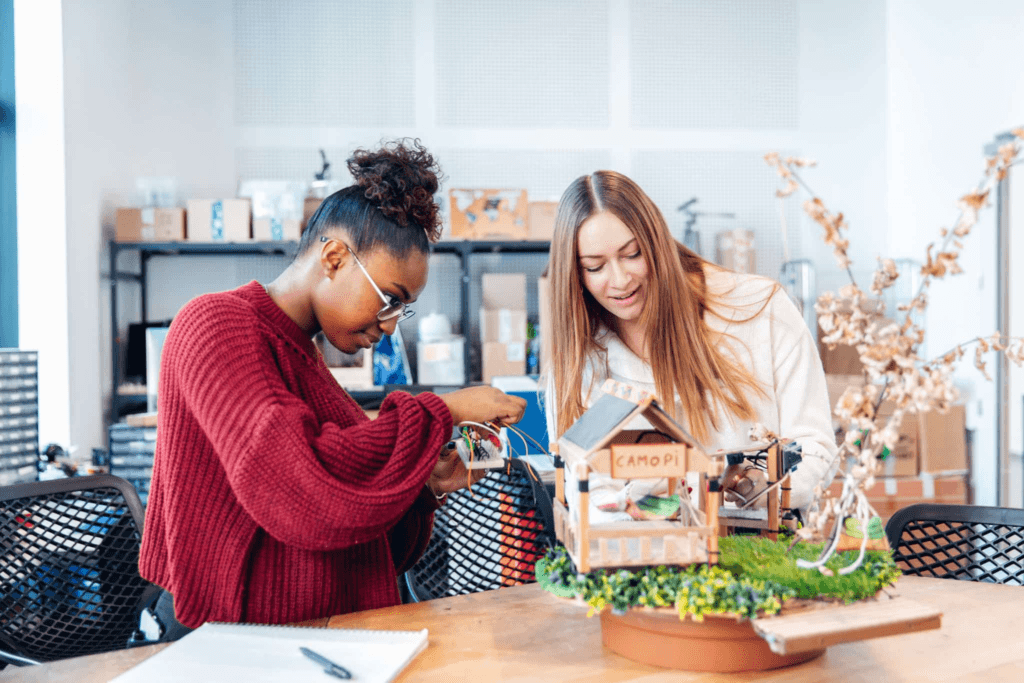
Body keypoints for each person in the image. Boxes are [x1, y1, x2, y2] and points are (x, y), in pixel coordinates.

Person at [140, 140, 526, 628]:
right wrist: (441, 412)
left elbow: (356, 523)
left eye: (401, 310)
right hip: (229, 638)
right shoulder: (215, 324)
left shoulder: (309, 361)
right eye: (389, 298)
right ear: (335, 257)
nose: (390, 325)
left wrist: (424, 484)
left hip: (314, 634)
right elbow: (296, 489)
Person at [543, 170, 838, 524]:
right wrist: (632, 509)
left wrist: (756, 489)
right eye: (595, 267)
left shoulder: (759, 309)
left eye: (633, 254)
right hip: (647, 565)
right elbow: (584, 493)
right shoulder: (578, 364)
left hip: (763, 554)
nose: (619, 280)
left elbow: (814, 451)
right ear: (575, 275)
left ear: (656, 242)